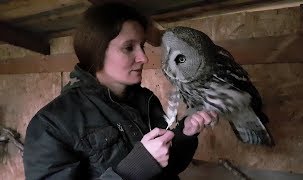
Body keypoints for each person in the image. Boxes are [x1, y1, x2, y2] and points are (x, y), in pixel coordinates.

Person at [23, 2, 217, 180]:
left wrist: (185, 134)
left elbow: (168, 166)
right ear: (96, 50)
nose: (143, 58)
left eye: (141, 46)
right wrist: (135, 168)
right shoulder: (51, 125)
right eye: (128, 47)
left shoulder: (146, 100)